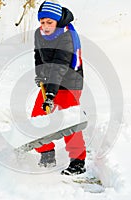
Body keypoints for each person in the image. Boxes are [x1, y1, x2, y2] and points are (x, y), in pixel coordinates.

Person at [32, 0, 86, 176]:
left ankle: (78, 162)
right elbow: (38, 56)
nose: (45, 27)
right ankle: (47, 154)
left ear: (58, 22)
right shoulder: (39, 34)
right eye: (42, 22)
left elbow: (59, 66)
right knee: (37, 117)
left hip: (70, 82)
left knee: (68, 121)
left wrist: (50, 93)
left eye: (50, 22)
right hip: (50, 82)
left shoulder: (67, 37)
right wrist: (40, 74)